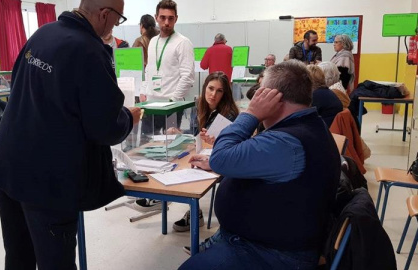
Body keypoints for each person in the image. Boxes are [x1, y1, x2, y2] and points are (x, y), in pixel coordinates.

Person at [0, 0, 141, 269]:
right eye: (119, 19)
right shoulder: (90, 50)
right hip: (47, 176)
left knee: (18, 255)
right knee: (55, 261)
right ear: (105, 14)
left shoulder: (43, 33)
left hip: (9, 163)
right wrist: (129, 116)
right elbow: (104, 127)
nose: (117, 25)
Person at [179, 60, 341, 269]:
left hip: (271, 254)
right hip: (268, 241)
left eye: (259, 93)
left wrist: (251, 114)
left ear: (273, 98)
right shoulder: (306, 126)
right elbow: (227, 160)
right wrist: (220, 162)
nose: (254, 99)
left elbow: (221, 157)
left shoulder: (285, 143)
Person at [135, 0, 195, 212]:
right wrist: (143, 90)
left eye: (170, 18)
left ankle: (167, 194)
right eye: (163, 17)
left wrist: (172, 101)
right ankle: (152, 193)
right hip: (150, 105)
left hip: (170, 107)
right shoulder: (152, 43)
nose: (166, 22)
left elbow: (187, 76)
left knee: (168, 152)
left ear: (176, 19)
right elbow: (149, 70)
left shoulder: (183, 42)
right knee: (148, 150)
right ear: (157, 17)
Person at [169, 72, 239, 232]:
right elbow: (195, 133)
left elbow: (232, 144)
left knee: (191, 167)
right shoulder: (199, 105)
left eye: (219, 91)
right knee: (181, 164)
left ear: (225, 93)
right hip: (204, 154)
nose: (213, 94)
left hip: (222, 159)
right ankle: (193, 210)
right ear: (204, 88)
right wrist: (180, 132)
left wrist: (217, 141)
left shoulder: (229, 114)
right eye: (211, 88)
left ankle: (195, 213)